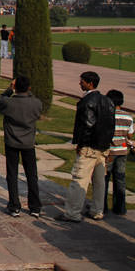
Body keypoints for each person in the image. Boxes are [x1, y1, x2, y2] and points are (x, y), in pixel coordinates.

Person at [57, 71, 116, 223]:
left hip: (89, 147)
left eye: (82, 81)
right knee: (99, 182)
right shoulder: (108, 101)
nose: (80, 84)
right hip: (103, 147)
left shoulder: (87, 102)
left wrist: (81, 144)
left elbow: (87, 126)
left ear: (90, 83)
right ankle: (97, 210)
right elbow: (111, 126)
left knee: (79, 180)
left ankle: (72, 213)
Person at [0, 77, 43, 217]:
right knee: (32, 175)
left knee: (12, 174)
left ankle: (14, 206)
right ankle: (35, 207)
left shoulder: (9, 102)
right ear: (29, 88)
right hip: (28, 143)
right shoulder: (36, 103)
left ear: (15, 87)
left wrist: (10, 89)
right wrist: (29, 92)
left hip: (12, 142)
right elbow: (37, 107)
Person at [104, 89, 133, 215]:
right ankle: (120, 208)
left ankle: (102, 206)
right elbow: (130, 135)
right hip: (122, 151)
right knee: (120, 178)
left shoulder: (106, 115)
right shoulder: (128, 117)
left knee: (104, 178)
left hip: (109, 152)